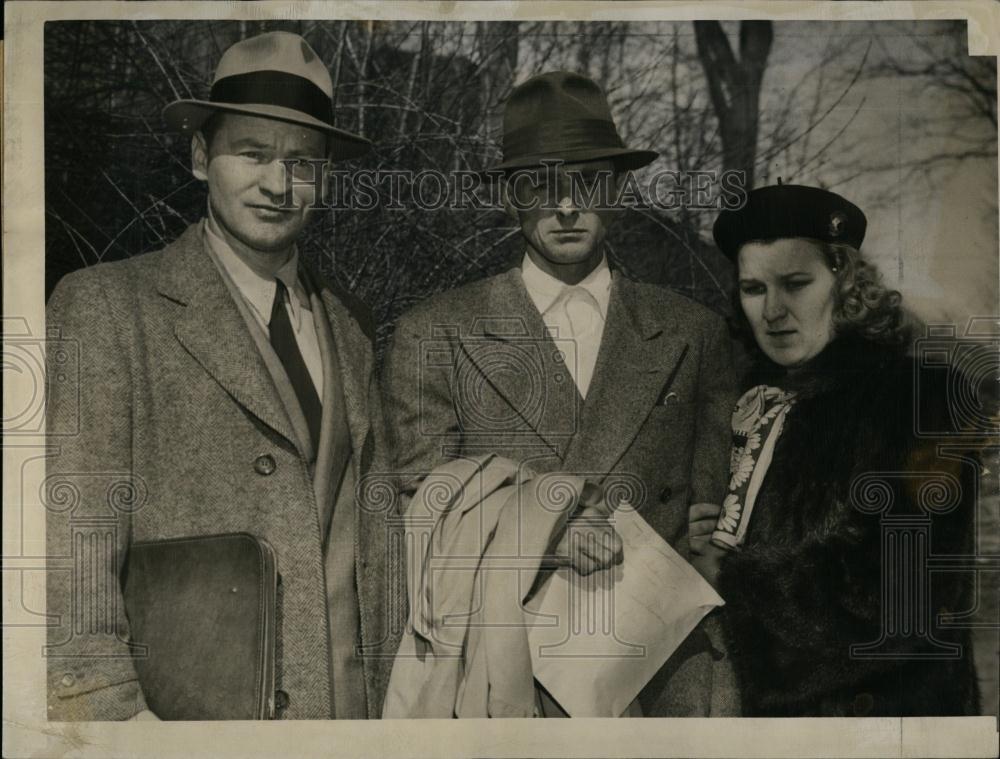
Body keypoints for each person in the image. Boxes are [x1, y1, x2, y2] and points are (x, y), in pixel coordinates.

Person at [45, 32, 398, 720]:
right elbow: (68, 559)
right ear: (202, 157)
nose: (277, 182)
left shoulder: (351, 328)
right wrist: (115, 726)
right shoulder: (106, 308)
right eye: (253, 153)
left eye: (302, 161)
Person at [383, 71, 738, 717]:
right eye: (540, 184)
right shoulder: (435, 332)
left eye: (588, 181)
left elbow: (715, 521)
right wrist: (543, 534)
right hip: (507, 676)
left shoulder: (697, 333)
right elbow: (424, 508)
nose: (567, 205)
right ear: (510, 197)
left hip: (664, 676)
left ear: (620, 188)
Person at [689, 183, 981, 716]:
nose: (773, 311)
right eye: (753, 289)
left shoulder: (922, 398)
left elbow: (905, 599)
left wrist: (729, 581)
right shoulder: (747, 401)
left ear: (844, 283)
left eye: (795, 284)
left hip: (885, 726)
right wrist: (709, 539)